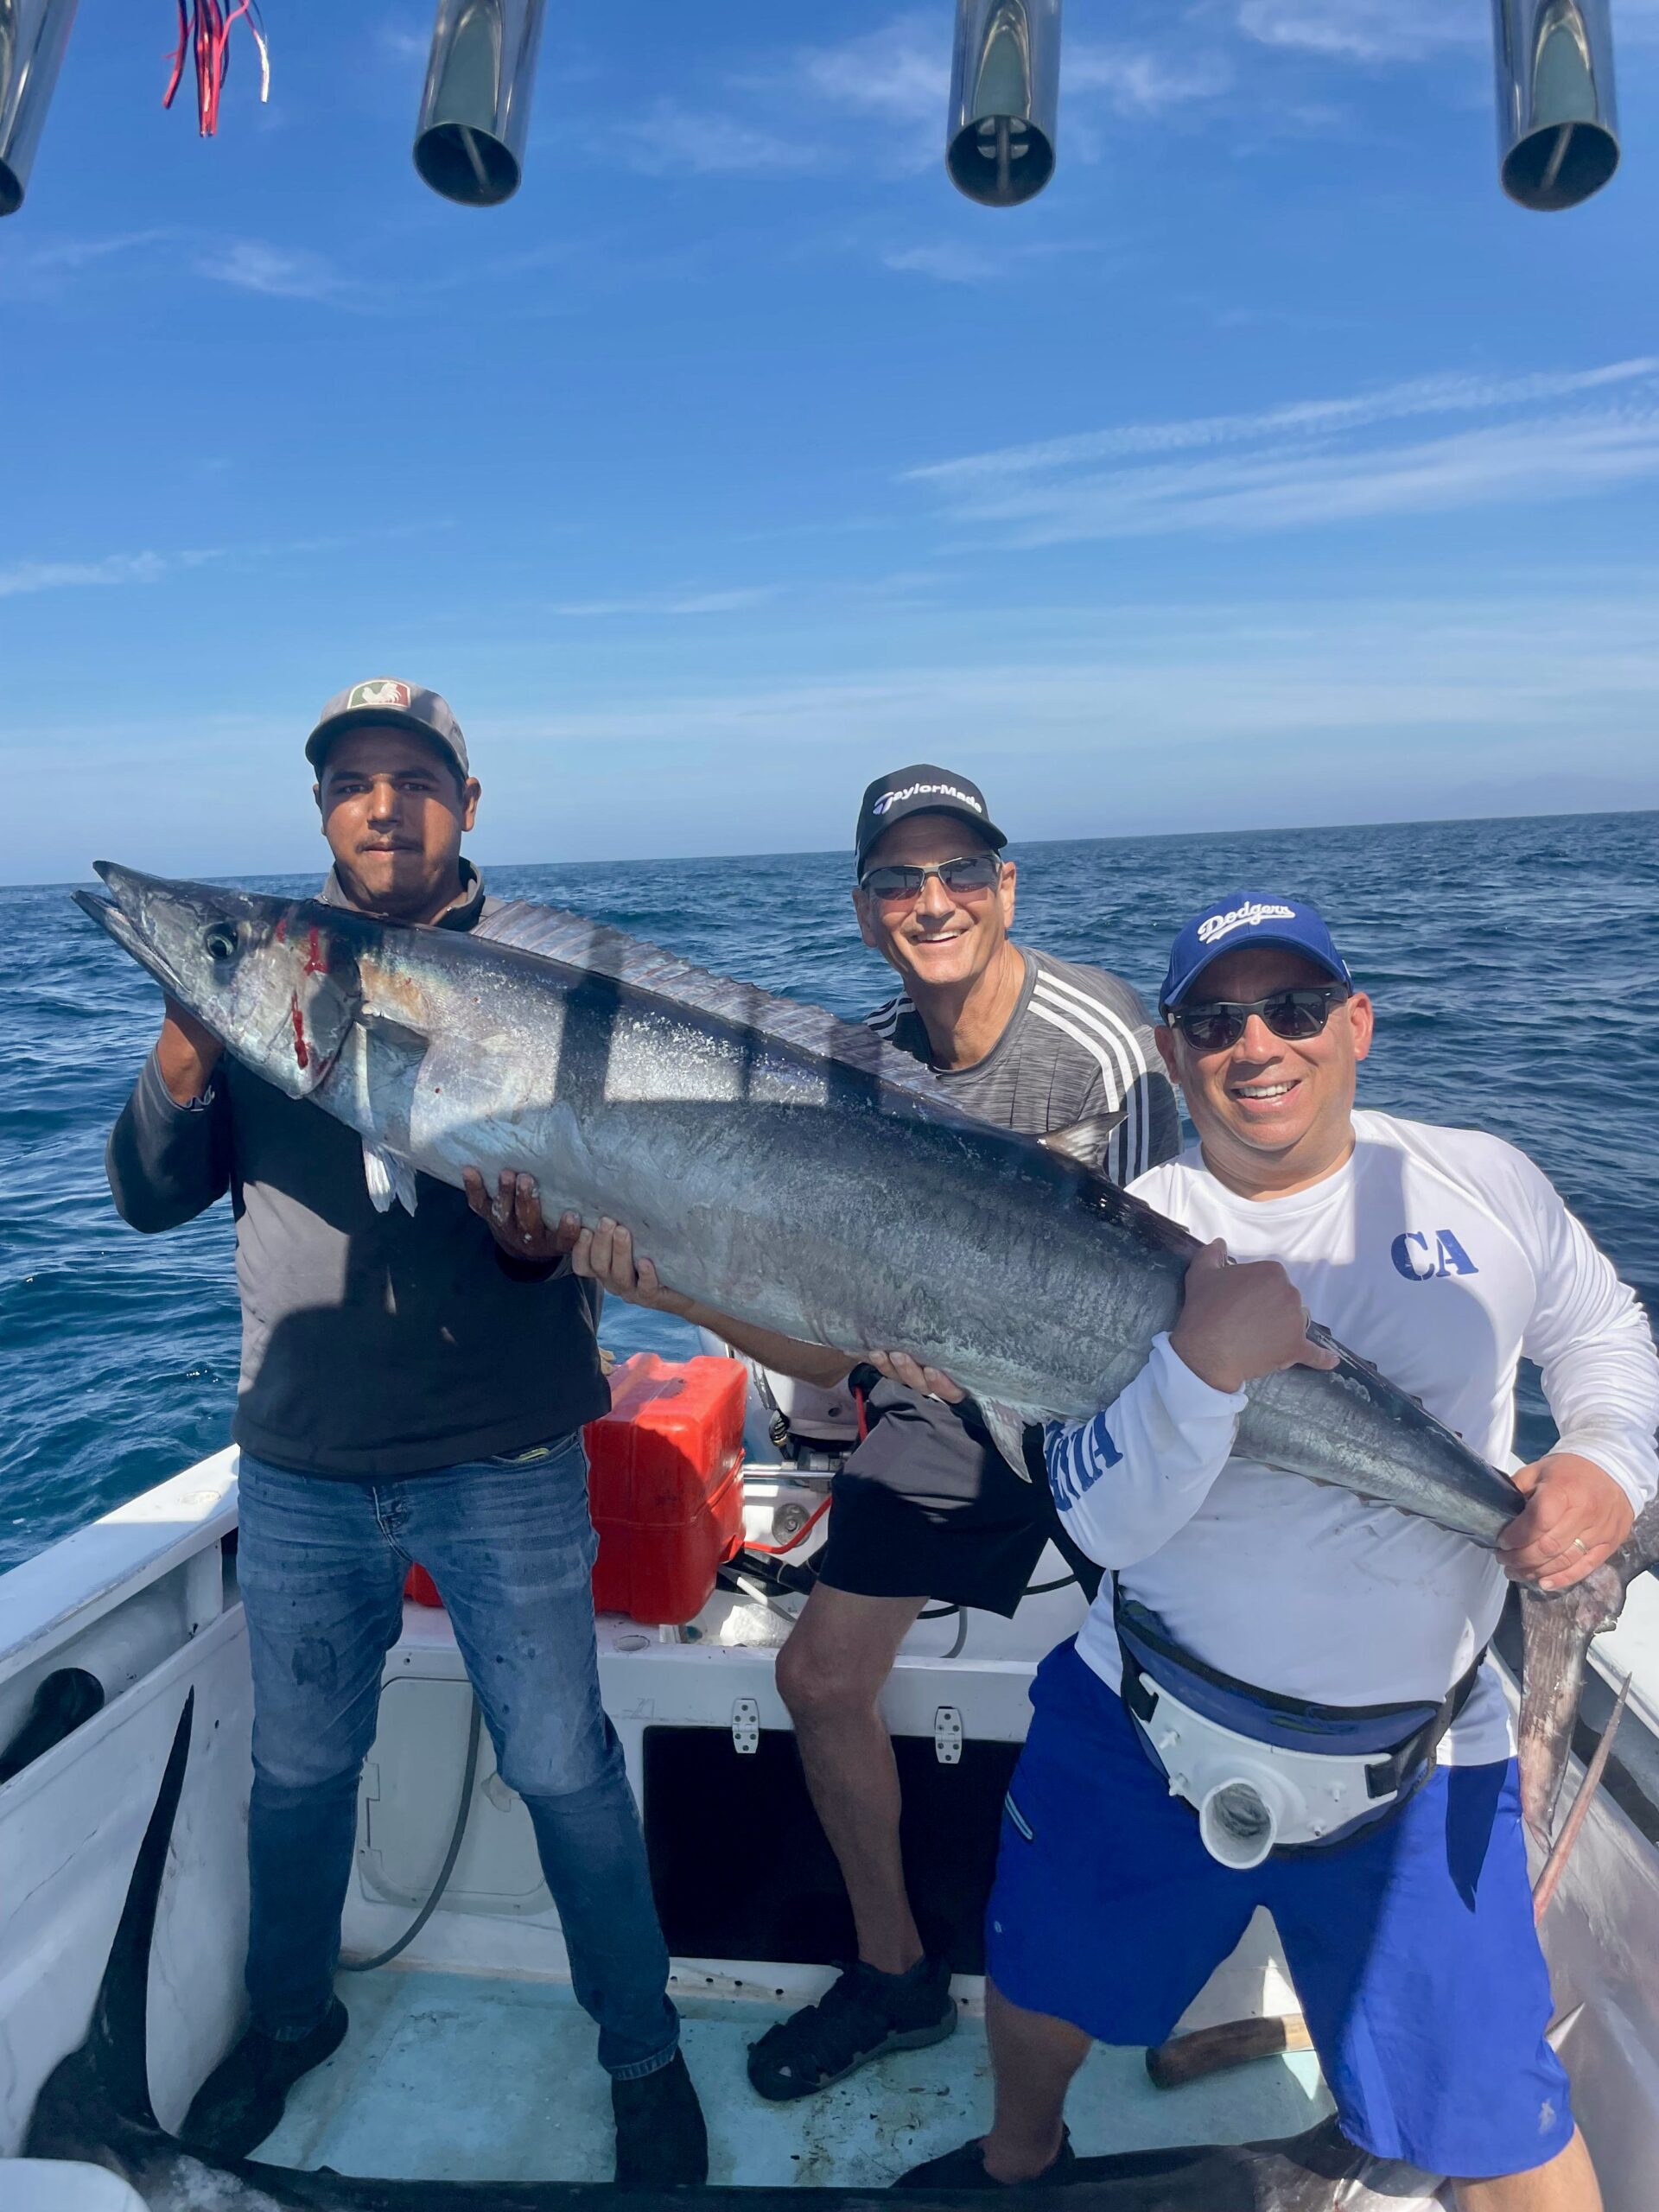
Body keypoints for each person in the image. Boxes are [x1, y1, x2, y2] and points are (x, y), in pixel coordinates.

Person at [889, 890, 1659, 2210]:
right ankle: (1021, 2155)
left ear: (1356, 1025)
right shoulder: (1114, 1228)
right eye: (1215, 1020)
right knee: (1037, 1986)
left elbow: (1601, 1331)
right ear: (1176, 1055)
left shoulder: (1487, 1179)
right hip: (1144, 1723)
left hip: (1420, 1760)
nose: (1259, 1046)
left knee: (1498, 2115)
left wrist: (1608, 1460)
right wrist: (1199, 1367)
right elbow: (1096, 1519)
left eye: (1294, 1009)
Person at [104, 679, 705, 2183]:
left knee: (565, 1765)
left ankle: (639, 2053)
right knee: (300, 1775)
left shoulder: (546, 977)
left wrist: (528, 1239)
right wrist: (187, 1053)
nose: (386, 804)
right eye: (354, 782)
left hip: (503, 1462)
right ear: (322, 812)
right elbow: (144, 1196)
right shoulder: (261, 973)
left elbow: (583, 1215)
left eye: (417, 777)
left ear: (468, 801)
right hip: (302, 1469)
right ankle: (291, 2020)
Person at [562, 765, 1179, 2101]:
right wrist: (661, 1285)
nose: (933, 899)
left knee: (1172, 1676)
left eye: (961, 871)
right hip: (941, 1397)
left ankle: (1175, 2000)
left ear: (1009, 886)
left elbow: (1195, 1253)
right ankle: (896, 1974)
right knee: (822, 1679)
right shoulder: (861, 1067)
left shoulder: (1110, 1039)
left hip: (1127, 1393)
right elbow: (830, 1349)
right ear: (862, 911)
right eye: (900, 879)